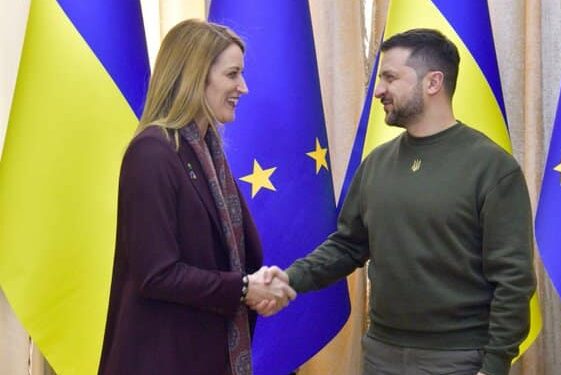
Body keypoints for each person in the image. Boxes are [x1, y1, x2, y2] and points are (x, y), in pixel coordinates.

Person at [273, 28, 535, 375]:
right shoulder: (377, 163)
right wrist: (288, 280)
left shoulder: (492, 168)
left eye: (390, 77)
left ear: (433, 82)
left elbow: (513, 280)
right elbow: (347, 246)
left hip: (459, 358)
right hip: (381, 353)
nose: (378, 90)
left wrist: (495, 365)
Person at [98, 19, 296, 375]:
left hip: (203, 354)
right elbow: (156, 274)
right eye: (233, 74)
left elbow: (223, 257)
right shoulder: (153, 153)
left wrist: (260, 285)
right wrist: (243, 289)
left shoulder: (208, 155)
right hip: (162, 359)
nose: (244, 88)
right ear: (195, 75)